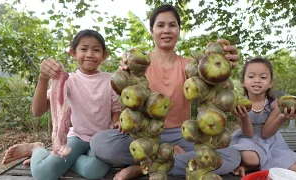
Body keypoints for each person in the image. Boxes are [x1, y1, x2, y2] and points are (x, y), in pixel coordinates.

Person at [90, 4, 241, 180]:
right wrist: (125, 69)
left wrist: (222, 66)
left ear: (178, 29)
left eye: (172, 25)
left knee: (233, 156)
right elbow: (127, 97)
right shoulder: (139, 63)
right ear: (152, 30)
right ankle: (169, 158)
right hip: (145, 135)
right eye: (160, 25)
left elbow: (213, 85)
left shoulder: (191, 65)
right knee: (100, 143)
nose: (166, 30)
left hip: (182, 135)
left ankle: (146, 166)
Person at [1, 29, 121, 180]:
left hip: (101, 140)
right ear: (73, 53)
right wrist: (43, 77)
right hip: (76, 138)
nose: (90, 54)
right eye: (83, 49)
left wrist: (116, 122)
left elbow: (115, 109)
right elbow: (38, 111)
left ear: (104, 55)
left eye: (96, 50)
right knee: (43, 174)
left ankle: (62, 160)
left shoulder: (110, 80)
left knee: (94, 172)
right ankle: (36, 148)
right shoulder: (67, 80)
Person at [230, 57, 296, 177]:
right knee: (251, 158)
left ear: (270, 83)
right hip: (247, 140)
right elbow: (248, 133)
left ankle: (249, 167)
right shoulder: (239, 103)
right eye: (251, 76)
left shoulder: (275, 104)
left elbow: (266, 133)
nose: (257, 80)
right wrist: (244, 117)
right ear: (243, 81)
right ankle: (252, 165)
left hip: (271, 142)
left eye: (263, 77)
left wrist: (282, 117)